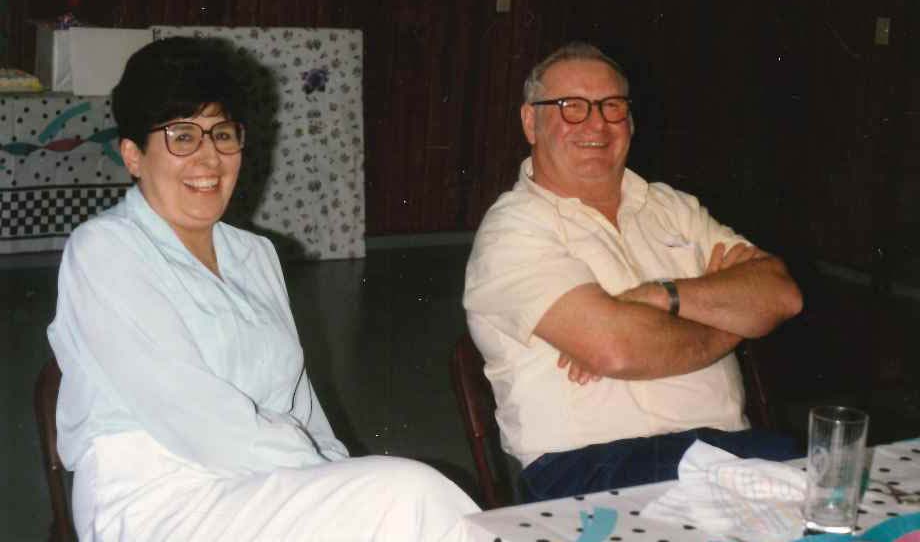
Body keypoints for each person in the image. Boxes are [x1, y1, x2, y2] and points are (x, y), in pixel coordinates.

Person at [47, 37, 479, 541]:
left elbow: (301, 407)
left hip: (263, 484)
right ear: (133, 155)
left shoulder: (255, 256)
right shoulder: (105, 250)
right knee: (409, 494)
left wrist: (336, 469)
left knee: (403, 502)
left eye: (223, 134)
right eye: (182, 136)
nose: (210, 158)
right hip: (158, 503)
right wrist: (325, 474)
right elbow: (196, 419)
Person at [463, 42, 804, 502]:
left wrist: (662, 295)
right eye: (571, 107)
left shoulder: (675, 209)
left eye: (612, 106)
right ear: (530, 122)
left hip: (727, 450)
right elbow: (616, 349)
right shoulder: (512, 230)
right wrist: (736, 322)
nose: (596, 124)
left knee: (846, 507)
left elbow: (782, 296)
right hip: (590, 470)